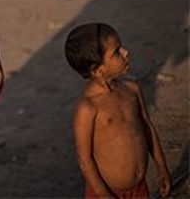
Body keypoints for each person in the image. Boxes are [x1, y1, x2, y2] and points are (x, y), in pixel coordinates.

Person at [65, 23, 171, 198]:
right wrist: (104, 195)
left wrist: (161, 166)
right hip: (106, 192)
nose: (125, 52)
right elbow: (85, 159)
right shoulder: (88, 108)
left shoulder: (131, 90)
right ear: (98, 70)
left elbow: (147, 127)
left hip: (139, 188)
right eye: (117, 52)